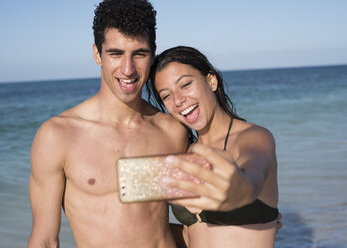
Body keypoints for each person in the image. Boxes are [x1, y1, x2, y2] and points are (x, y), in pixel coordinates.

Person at [27, 1, 188, 247]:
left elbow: (193, 223)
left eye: (139, 54)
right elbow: (46, 240)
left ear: (152, 54)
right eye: (116, 53)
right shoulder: (58, 136)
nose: (128, 69)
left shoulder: (172, 131)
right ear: (96, 54)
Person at [147, 46, 279, 248]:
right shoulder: (186, 154)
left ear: (211, 81)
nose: (178, 100)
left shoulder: (253, 137)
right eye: (166, 96)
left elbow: (254, 172)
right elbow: (193, 235)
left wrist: (240, 189)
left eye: (185, 85)